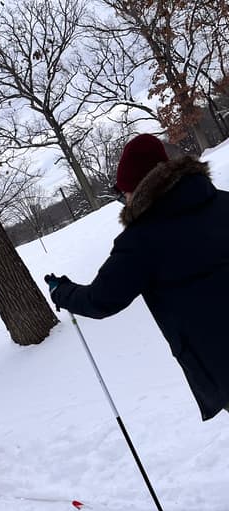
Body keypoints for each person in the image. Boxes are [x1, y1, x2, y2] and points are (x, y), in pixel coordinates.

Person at [45, 133, 229, 421]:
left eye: (124, 193)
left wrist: (62, 292)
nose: (124, 200)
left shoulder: (142, 241)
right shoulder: (223, 202)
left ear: (138, 189)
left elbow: (101, 300)